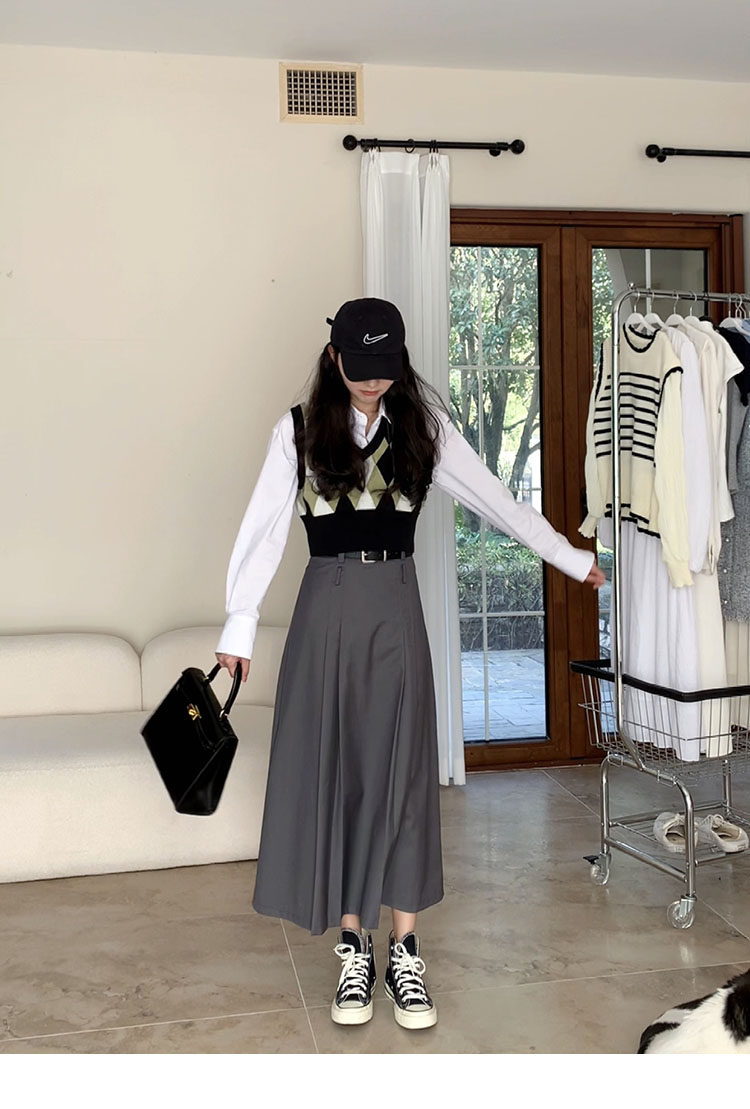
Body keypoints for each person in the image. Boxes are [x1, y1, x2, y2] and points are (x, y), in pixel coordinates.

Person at [215, 297, 604, 1031]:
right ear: (334, 358)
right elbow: (263, 531)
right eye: (360, 367)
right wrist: (239, 626)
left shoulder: (425, 430)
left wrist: (569, 557)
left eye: (384, 367)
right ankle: (353, 946)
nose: (372, 381)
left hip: (395, 609)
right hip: (325, 612)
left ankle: (404, 950)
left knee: (402, 777)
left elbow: (498, 503)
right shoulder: (298, 431)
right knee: (344, 774)